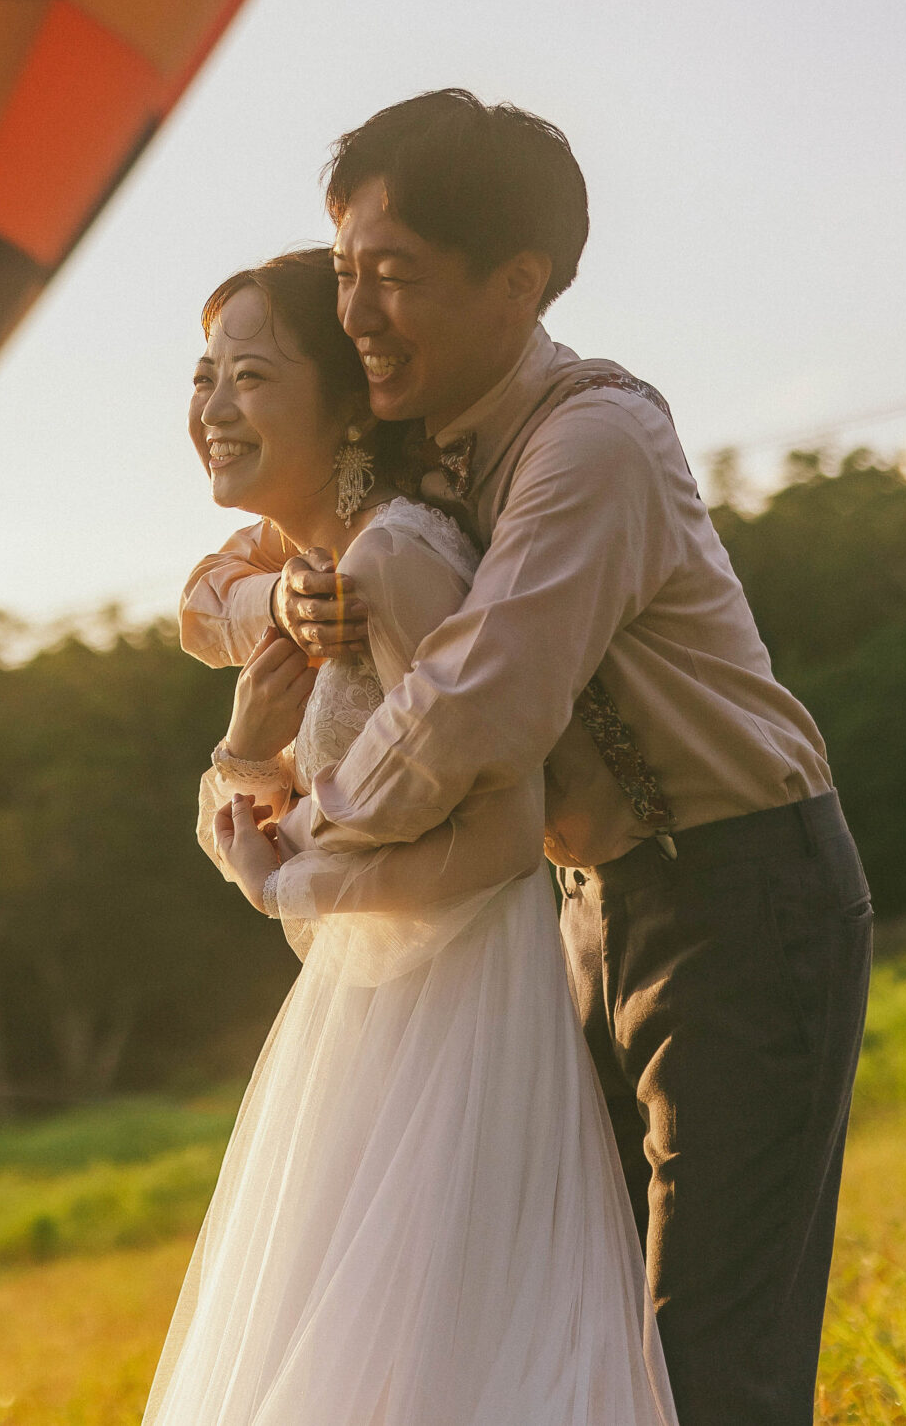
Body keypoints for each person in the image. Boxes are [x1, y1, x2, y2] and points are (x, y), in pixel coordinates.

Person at [183, 92, 871, 1426]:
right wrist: (281, 604)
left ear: (519, 281)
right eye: (346, 275)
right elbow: (215, 579)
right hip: (586, 905)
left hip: (740, 887)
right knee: (572, 1326)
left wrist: (310, 850)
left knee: (703, 1353)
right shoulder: (418, 450)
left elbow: (481, 706)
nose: (363, 312)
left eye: (397, 276)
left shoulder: (592, 436)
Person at [145, 249, 676, 1424]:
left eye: (249, 376)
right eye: (202, 376)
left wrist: (296, 885)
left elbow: (503, 833)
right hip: (368, 1012)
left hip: (455, 1016)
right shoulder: (303, 575)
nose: (213, 409)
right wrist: (245, 750)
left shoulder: (394, 556)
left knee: (440, 1362)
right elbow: (252, 769)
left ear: (344, 403)